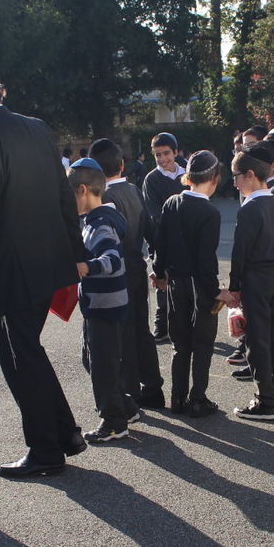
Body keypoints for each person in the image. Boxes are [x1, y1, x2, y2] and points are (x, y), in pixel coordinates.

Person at [0, 61, 88, 478]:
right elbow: (64, 197)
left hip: (10, 273)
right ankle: (64, 434)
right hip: (49, 262)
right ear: (1, 90)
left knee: (20, 359)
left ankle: (46, 448)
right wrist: (76, 252)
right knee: (29, 352)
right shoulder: (37, 129)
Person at [91, 138, 165, 410]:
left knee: (122, 335)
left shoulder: (103, 198)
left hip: (116, 272)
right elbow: (151, 231)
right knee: (141, 330)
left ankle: (129, 391)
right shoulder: (133, 189)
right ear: (122, 164)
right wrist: (159, 266)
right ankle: (153, 387)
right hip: (136, 266)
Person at [220, 143, 274, 420]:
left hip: (257, 279)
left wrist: (234, 286)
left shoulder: (249, 209)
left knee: (257, 340)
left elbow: (241, 252)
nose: (235, 183)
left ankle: (265, 401)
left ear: (250, 174)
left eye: (236, 177)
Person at [67, 158, 136, 444]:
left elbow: (112, 258)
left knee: (102, 366)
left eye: (69, 195)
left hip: (104, 305)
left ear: (83, 190)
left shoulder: (100, 224)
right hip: (104, 302)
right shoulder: (102, 217)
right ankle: (126, 407)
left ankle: (114, 422)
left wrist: (87, 266)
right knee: (94, 360)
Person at [153, 151, 223, 418]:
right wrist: (216, 291)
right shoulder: (210, 212)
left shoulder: (172, 202)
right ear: (214, 179)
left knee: (180, 343)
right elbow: (206, 260)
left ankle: (178, 398)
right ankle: (198, 399)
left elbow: (160, 242)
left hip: (174, 282)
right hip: (198, 285)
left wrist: (158, 272)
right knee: (202, 343)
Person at [142, 132, 187, 342]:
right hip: (162, 240)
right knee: (163, 282)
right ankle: (162, 325)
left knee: (188, 284)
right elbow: (156, 216)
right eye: (157, 155)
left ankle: (188, 324)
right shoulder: (151, 179)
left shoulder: (188, 173)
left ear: (176, 152)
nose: (162, 159)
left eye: (166, 153)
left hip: (189, 239)